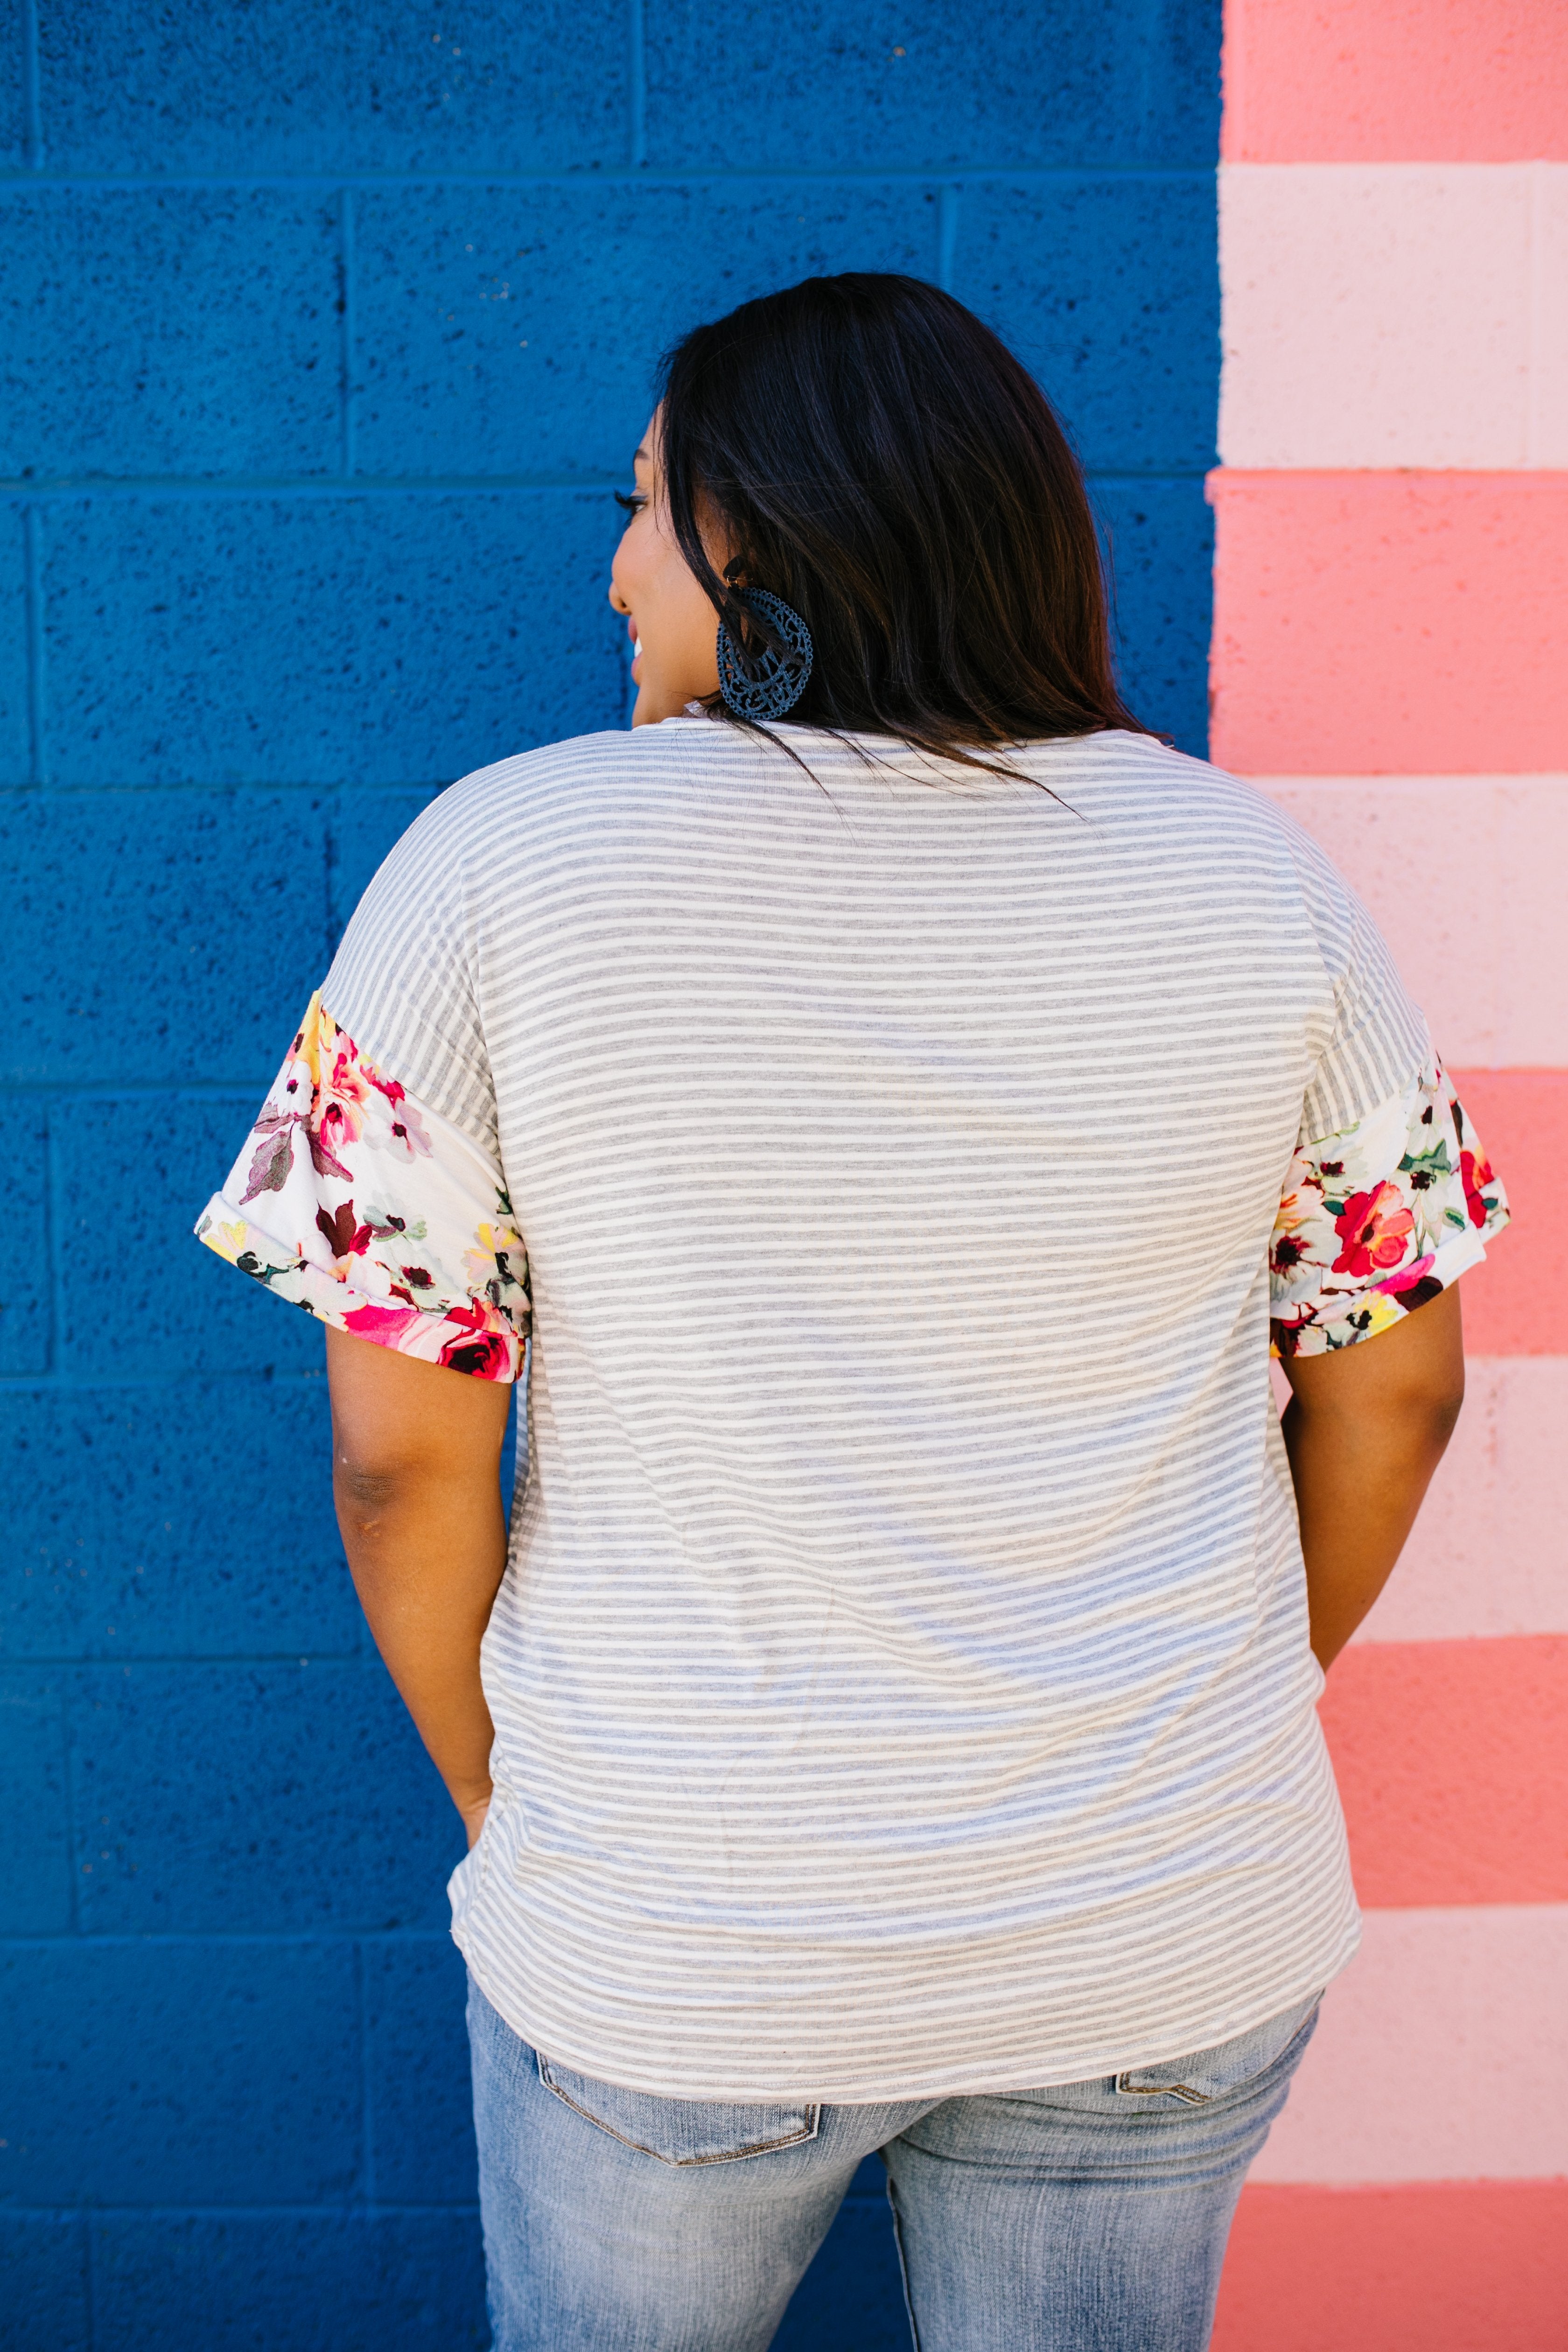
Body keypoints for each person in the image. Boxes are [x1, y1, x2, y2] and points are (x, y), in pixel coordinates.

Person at [195, 274, 1508, 2352]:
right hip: (1159, 1913)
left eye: (641, 510)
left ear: (754, 541)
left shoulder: (494, 863)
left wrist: (514, 1798)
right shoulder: (1265, 884)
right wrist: (1231, 1706)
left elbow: (394, 1455)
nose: (616, 570)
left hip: (680, 1927)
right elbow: (1403, 1390)